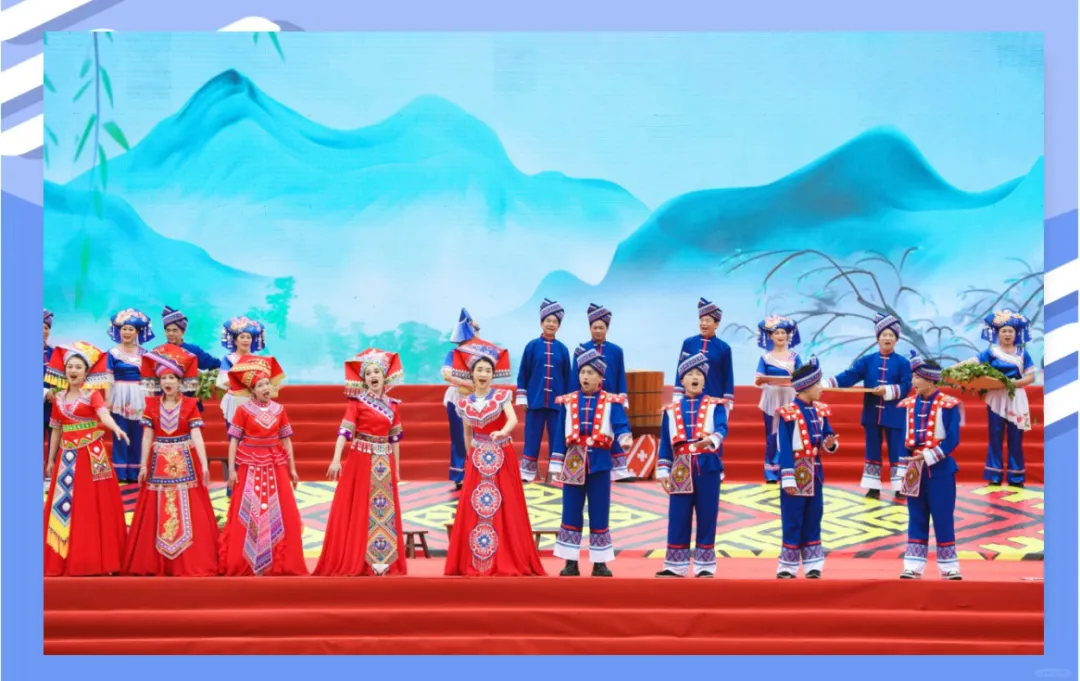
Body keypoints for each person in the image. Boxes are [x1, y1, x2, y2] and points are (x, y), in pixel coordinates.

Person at [446, 339, 546, 577]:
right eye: (479, 370)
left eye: (488, 370)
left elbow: (513, 419)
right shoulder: (465, 403)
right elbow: (467, 432)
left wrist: (503, 432)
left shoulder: (501, 396)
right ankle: (478, 559)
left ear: (493, 375)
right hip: (478, 458)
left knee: (506, 505)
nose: (484, 374)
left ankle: (506, 558)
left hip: (502, 456)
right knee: (476, 506)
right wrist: (470, 456)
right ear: (472, 373)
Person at [123, 344, 219, 576]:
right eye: (164, 378)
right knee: (156, 508)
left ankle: (188, 560)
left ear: (179, 382)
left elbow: (196, 435)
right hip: (158, 463)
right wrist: (143, 465)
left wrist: (204, 464)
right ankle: (156, 561)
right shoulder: (151, 405)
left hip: (185, 460)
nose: (167, 382)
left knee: (189, 505)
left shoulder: (190, 404)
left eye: (172, 378)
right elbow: (147, 436)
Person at [315, 349, 407, 577]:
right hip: (361, 459)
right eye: (369, 373)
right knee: (359, 508)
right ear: (364, 380)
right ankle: (358, 559)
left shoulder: (393, 405)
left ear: (384, 377)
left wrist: (396, 469)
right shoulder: (356, 403)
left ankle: (383, 562)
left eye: (377, 372)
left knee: (383, 510)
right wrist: (336, 459)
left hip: (384, 460)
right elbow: (344, 433)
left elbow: (394, 439)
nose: (373, 376)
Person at [43, 342, 130, 576]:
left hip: (92, 455)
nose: (73, 371)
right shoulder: (58, 398)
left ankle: (98, 558)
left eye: (78, 367)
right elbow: (56, 430)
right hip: (66, 458)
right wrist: (50, 460)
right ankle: (65, 558)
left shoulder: (93, 395)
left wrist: (116, 428)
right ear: (65, 371)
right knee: (66, 506)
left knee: (94, 505)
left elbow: (103, 414)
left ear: (86, 372)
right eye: (70, 367)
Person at [219, 355, 307, 576]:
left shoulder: (279, 409)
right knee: (248, 509)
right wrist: (232, 470)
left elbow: (286, 440)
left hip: (275, 463)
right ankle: (247, 560)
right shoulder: (243, 410)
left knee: (280, 509)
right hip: (249, 463)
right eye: (260, 385)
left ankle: (278, 562)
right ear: (252, 390)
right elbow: (233, 441)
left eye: (267, 383)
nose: (265, 388)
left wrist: (292, 468)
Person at [551, 345, 634, 577]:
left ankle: (599, 562)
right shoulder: (568, 401)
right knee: (570, 510)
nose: (585, 377)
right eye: (582, 372)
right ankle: (570, 562)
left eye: (590, 373)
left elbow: (620, 424)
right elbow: (559, 434)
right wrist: (556, 462)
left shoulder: (611, 401)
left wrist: (625, 438)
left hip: (600, 462)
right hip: (573, 462)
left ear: (600, 378)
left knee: (600, 511)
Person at [654, 352, 729, 578]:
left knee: (707, 514)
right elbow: (665, 443)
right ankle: (675, 565)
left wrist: (712, 439)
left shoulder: (716, 405)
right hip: (680, 466)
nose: (694, 377)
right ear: (682, 380)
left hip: (708, 464)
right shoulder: (671, 410)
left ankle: (704, 565)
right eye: (690, 374)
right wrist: (663, 470)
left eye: (699, 374)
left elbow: (722, 428)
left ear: (705, 379)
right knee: (678, 514)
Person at [824, 313, 912, 500]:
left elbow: (906, 386)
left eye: (891, 335)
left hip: (895, 414)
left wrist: (887, 390)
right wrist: (827, 383)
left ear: (896, 339)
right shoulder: (867, 360)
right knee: (872, 450)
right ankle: (873, 487)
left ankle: (900, 486)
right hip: (872, 413)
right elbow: (850, 376)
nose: (887, 338)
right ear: (878, 338)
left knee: (897, 450)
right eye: (884, 335)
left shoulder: (903, 363)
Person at [897, 354, 963, 580]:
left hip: (940, 469)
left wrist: (929, 456)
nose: (913, 381)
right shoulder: (907, 405)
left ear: (930, 380)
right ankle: (913, 565)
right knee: (916, 516)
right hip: (913, 469)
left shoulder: (949, 405)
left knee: (943, 516)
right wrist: (901, 471)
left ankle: (949, 566)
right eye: (913, 377)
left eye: (917, 377)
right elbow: (902, 439)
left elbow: (953, 438)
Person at [955, 309, 1037, 487]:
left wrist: (1012, 384)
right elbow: (973, 362)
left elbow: (1031, 377)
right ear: (997, 334)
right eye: (1004, 331)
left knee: (1016, 438)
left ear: (1016, 334)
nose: (1007, 334)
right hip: (995, 398)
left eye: (1010, 331)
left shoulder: (1023, 353)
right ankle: (995, 475)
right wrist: (954, 368)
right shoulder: (991, 352)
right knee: (995, 436)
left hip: (1016, 397)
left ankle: (1016, 477)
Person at [776, 357, 840, 579]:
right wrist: (787, 476)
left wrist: (829, 444)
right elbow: (784, 446)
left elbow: (827, 436)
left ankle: (813, 564)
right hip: (795, 470)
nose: (821, 388)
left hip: (815, 471)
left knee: (814, 516)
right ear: (805, 387)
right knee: (793, 518)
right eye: (818, 384)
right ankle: (787, 566)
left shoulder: (820, 411)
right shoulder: (788, 413)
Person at [570, 303, 632, 481]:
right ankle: (583, 466)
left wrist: (622, 398)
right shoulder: (581, 350)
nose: (598, 331)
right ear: (590, 328)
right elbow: (575, 375)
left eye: (601, 328)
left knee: (613, 430)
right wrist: (574, 398)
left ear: (607, 329)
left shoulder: (616, 351)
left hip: (610, 399)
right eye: (595, 327)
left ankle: (619, 471)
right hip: (587, 398)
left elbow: (620, 375)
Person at [516, 298, 570, 483]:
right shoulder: (532, 346)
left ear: (558, 326)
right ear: (541, 323)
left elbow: (568, 376)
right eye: (548, 320)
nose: (551, 324)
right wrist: (523, 397)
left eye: (555, 322)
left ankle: (556, 473)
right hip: (535, 400)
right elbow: (523, 372)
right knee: (531, 437)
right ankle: (527, 473)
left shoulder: (562, 349)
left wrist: (568, 401)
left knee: (557, 438)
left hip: (557, 403)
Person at [105, 308, 155, 484]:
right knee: (120, 432)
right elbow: (108, 378)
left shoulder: (144, 353)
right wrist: (108, 400)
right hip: (118, 394)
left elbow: (148, 378)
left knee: (137, 433)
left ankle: (135, 472)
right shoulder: (112, 353)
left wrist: (150, 401)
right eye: (124, 329)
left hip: (139, 395)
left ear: (137, 332)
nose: (126, 332)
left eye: (130, 329)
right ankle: (120, 472)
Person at [753, 315, 804, 484]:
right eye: (777, 333)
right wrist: (770, 380)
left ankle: (788, 469)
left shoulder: (795, 357)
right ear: (770, 336)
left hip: (790, 397)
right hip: (771, 398)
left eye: (783, 332)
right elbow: (758, 379)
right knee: (771, 434)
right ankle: (771, 472)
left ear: (788, 335)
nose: (780, 335)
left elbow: (802, 379)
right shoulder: (765, 358)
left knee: (790, 433)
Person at [442, 308, 480, 491]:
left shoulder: (481, 355)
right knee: (459, 436)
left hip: (476, 398)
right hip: (457, 397)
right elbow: (446, 374)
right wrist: (466, 382)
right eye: (474, 330)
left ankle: (477, 471)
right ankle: (459, 475)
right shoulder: (453, 354)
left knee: (478, 436)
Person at [673, 298, 734, 405]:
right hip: (690, 399)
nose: (703, 323)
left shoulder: (724, 348)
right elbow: (680, 370)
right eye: (701, 320)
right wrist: (678, 394)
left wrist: (727, 400)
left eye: (707, 321)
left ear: (716, 324)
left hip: (714, 398)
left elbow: (728, 375)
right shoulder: (688, 343)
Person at [161, 306, 222, 411]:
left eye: (175, 330)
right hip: (165, 403)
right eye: (168, 330)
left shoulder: (193, 350)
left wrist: (202, 387)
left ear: (182, 332)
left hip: (190, 402)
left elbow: (214, 364)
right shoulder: (159, 351)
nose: (171, 334)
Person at [216, 316, 271, 428]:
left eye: (248, 337)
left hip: (254, 400)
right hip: (235, 400)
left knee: (254, 432)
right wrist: (250, 383)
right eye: (242, 337)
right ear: (235, 341)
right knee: (235, 432)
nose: (246, 340)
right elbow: (224, 380)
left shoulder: (258, 360)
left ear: (252, 340)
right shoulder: (229, 359)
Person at [44, 309, 55, 467]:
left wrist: (56, 391)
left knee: (55, 437)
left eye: (46, 328)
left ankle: (51, 472)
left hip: (53, 404)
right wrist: (45, 392)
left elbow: (63, 376)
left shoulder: (55, 352)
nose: (43, 331)